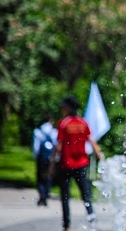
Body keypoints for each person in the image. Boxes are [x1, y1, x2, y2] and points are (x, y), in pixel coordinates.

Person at [51, 96, 102, 231]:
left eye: (63, 107)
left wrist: (51, 164)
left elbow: (59, 146)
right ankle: (93, 221)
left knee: (65, 197)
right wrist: (99, 155)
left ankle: (67, 226)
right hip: (81, 164)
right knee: (86, 195)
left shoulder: (64, 123)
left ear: (67, 108)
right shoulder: (83, 123)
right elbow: (91, 140)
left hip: (66, 165)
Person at [32, 115, 58, 206]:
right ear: (50, 120)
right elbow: (56, 145)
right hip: (51, 157)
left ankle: (41, 194)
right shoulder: (54, 132)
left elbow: (36, 147)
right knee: (49, 175)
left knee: (39, 176)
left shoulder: (38, 131)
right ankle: (46, 195)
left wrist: (35, 157)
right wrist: (56, 158)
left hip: (41, 157)